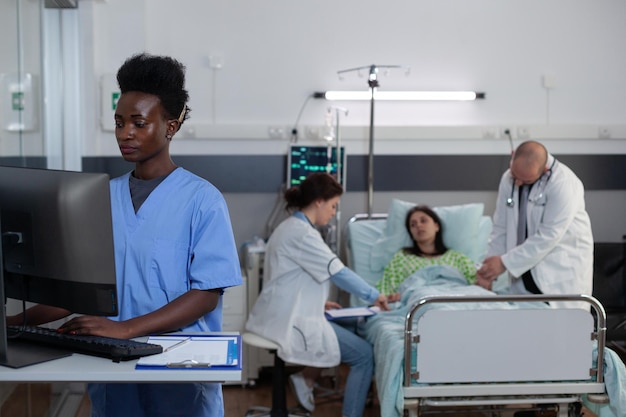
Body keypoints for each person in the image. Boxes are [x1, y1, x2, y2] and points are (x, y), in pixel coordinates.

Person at [6, 53, 242, 417]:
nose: (125, 133)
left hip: (176, 367)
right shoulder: (99, 198)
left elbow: (206, 294)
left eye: (138, 123)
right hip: (112, 367)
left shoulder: (202, 200)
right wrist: (14, 324)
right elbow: (77, 290)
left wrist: (126, 329)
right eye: (119, 122)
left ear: (170, 127)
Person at [245, 172, 389, 417]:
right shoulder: (302, 234)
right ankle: (311, 384)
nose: (333, 212)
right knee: (364, 357)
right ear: (319, 201)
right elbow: (339, 272)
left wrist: (320, 303)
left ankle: (306, 378)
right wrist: (375, 296)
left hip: (280, 312)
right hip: (288, 321)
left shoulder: (289, 226)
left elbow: (290, 279)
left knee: (352, 325)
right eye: (333, 206)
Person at [476, 140, 593, 308]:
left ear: (544, 171)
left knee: (562, 330)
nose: (517, 183)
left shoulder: (564, 184)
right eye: (515, 177)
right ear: (512, 155)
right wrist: (488, 271)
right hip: (524, 275)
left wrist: (504, 263)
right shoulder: (508, 178)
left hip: (559, 275)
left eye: (526, 181)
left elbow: (549, 236)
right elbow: (501, 227)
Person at [376, 205, 477, 302]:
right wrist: (391, 297)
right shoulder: (402, 257)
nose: (419, 225)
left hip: (456, 301)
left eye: (423, 221)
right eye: (413, 225)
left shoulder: (458, 258)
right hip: (420, 303)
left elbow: (476, 286)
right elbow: (386, 291)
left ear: (436, 226)